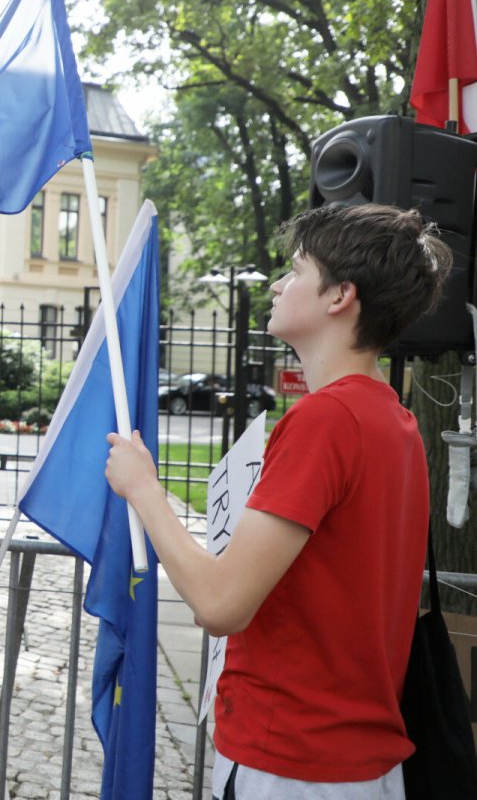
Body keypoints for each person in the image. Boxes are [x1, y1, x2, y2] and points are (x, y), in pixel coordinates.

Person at [105, 204, 451, 799]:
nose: (277, 284)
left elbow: (220, 604)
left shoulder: (325, 418)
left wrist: (145, 490)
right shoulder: (394, 420)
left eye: (295, 269)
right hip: (356, 762)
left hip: (292, 761)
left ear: (340, 295)